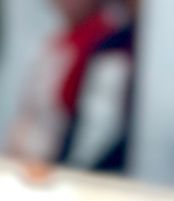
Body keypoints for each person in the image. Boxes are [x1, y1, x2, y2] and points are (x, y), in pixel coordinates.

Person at [7, 1, 137, 173]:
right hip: (28, 162)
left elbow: (96, 132)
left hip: (57, 168)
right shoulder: (61, 40)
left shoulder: (107, 45)